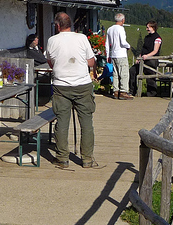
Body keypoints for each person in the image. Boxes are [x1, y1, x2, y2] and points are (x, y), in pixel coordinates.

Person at [45, 12, 104, 169]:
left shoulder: (52, 40)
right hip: (82, 85)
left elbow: (50, 62)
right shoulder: (82, 38)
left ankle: (62, 158)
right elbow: (91, 61)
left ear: (57, 26)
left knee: (62, 123)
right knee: (86, 123)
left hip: (61, 86)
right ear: (70, 24)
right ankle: (87, 159)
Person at [104, 13, 133, 100]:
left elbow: (107, 43)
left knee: (115, 73)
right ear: (122, 20)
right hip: (121, 54)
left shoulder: (110, 29)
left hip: (113, 54)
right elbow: (123, 42)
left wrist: (108, 55)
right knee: (123, 73)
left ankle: (116, 91)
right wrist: (128, 46)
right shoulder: (121, 29)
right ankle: (123, 91)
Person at [130, 21, 162, 97]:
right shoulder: (147, 37)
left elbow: (155, 50)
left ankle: (151, 93)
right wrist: (140, 57)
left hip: (151, 59)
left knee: (150, 75)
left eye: (148, 27)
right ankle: (132, 90)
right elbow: (143, 49)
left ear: (152, 27)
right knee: (132, 71)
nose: (147, 29)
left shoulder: (157, 38)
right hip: (143, 59)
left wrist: (147, 56)